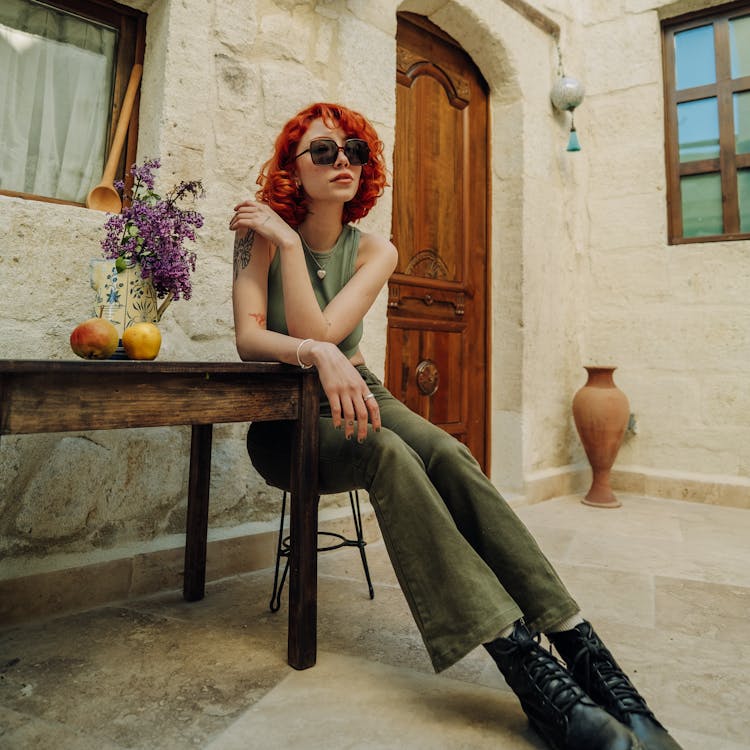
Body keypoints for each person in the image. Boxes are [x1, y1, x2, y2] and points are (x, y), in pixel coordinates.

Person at [229, 102, 682, 750]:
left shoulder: (376, 251)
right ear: (290, 167)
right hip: (283, 416)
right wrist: (292, 256)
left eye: (354, 151)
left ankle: (588, 657)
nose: (344, 163)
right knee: (388, 455)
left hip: (364, 392)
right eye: (324, 152)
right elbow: (259, 336)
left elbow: (328, 333)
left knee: (448, 452)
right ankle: (531, 677)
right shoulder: (259, 237)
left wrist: (322, 333)